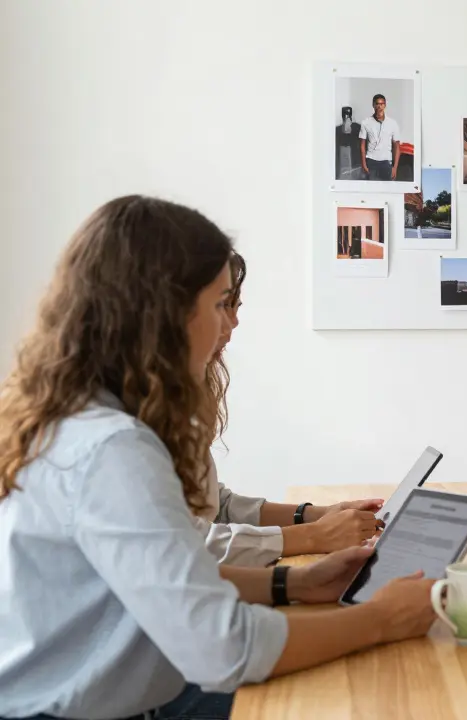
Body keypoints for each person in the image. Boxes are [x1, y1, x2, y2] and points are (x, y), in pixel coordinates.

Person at [0, 196, 437, 720]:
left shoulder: (74, 417)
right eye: (219, 303)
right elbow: (222, 648)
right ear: (165, 313)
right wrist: (383, 619)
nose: (227, 324)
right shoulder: (112, 449)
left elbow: (167, 577)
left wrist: (294, 582)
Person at [197, 251, 384, 566]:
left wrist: (315, 516)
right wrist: (315, 536)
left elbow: (216, 505)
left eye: (236, 306)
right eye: (223, 305)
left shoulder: (177, 402)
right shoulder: (129, 428)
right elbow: (184, 546)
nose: (235, 322)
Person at [359, 93, 401, 181]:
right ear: (373, 105)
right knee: (372, 190)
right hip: (371, 161)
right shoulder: (365, 123)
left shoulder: (393, 123)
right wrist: (364, 164)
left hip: (386, 162)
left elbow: (397, 146)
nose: (379, 106)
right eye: (377, 104)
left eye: (381, 104)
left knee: (387, 191)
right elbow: (362, 145)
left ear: (385, 105)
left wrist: (395, 167)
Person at [334, 106, 363, 180]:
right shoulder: (337, 131)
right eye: (345, 115)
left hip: (354, 166)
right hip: (342, 166)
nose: (347, 117)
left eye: (349, 115)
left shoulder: (357, 128)